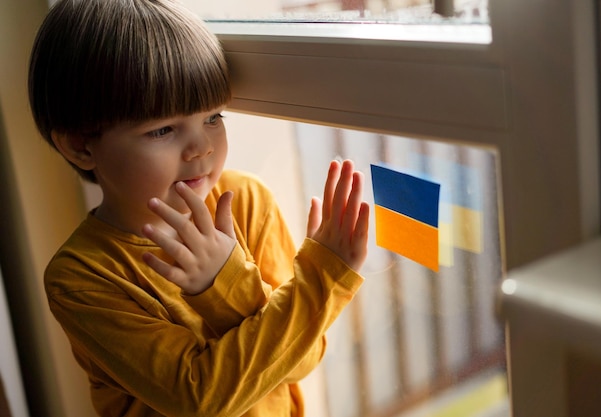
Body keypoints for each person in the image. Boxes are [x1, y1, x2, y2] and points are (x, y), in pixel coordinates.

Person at [28, 0, 370, 416]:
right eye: (163, 129)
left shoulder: (246, 202)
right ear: (81, 146)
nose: (202, 148)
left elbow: (302, 359)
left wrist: (230, 288)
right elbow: (198, 398)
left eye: (212, 117)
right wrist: (316, 276)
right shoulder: (81, 276)